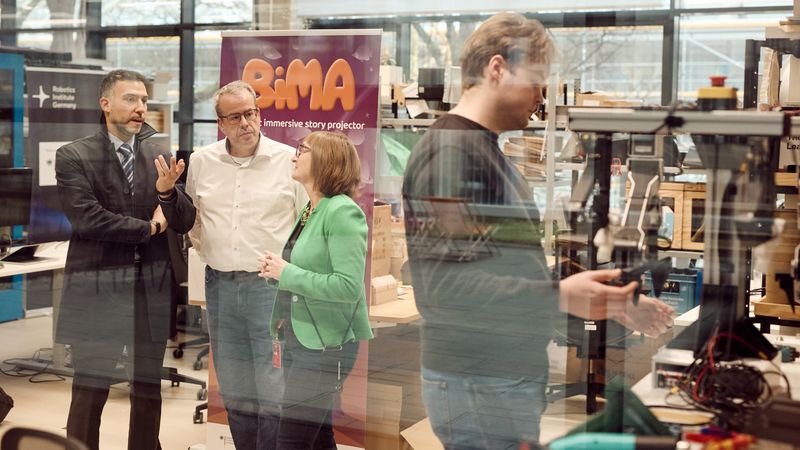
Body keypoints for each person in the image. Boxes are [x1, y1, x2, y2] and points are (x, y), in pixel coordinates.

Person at [401, 13, 674, 450]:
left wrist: (604, 304)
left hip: (501, 377)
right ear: (497, 68)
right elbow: (445, 289)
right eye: (536, 80)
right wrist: (562, 295)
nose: (541, 96)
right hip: (478, 380)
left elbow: (504, 271)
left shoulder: (489, 153)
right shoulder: (450, 155)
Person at [55, 69, 196, 450]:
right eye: (130, 99)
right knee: (90, 393)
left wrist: (167, 195)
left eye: (144, 101)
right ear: (106, 104)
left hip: (149, 290)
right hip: (98, 291)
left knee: (148, 392)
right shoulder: (74, 155)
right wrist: (148, 229)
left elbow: (184, 220)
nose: (140, 108)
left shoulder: (158, 155)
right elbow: (89, 219)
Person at [185, 80, 307, 449]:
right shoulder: (201, 161)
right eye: (235, 116)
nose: (246, 123)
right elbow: (195, 219)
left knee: (272, 391)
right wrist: (212, 252)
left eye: (251, 113)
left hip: (268, 289)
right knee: (235, 390)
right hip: (219, 285)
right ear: (220, 123)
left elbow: (305, 223)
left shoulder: (288, 160)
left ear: (260, 113)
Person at [258, 131, 374, 450]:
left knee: (291, 440)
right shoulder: (311, 210)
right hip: (303, 337)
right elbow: (305, 269)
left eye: (302, 150)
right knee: (318, 438)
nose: (294, 156)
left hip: (325, 345)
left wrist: (288, 273)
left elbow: (348, 286)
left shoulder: (342, 212)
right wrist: (278, 274)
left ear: (326, 161)